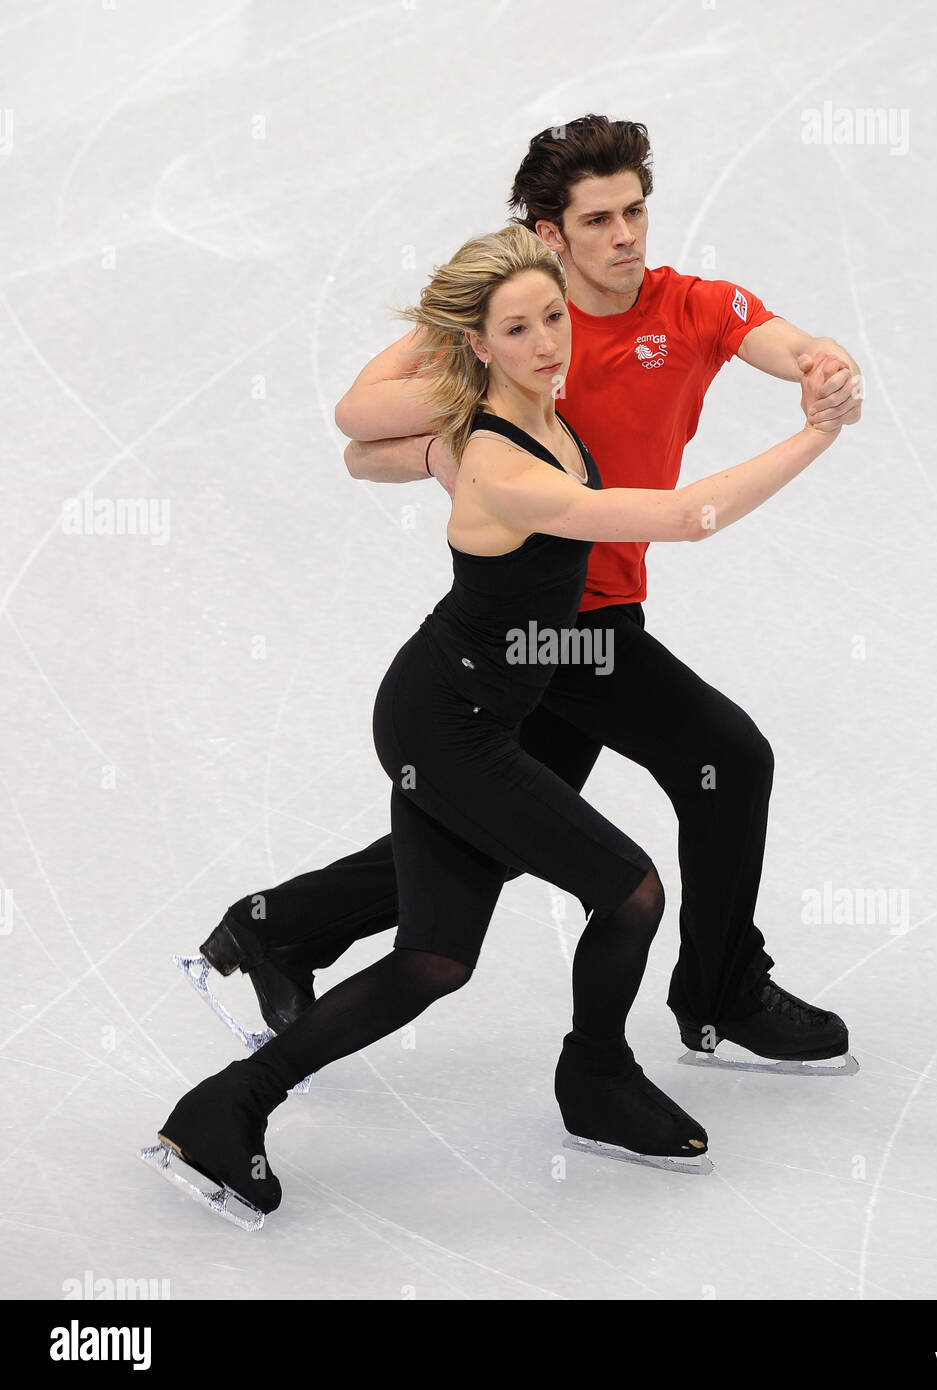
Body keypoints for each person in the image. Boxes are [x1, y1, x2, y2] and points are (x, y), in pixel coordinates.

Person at [150, 223, 846, 1220]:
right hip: (448, 723)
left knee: (436, 957)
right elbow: (689, 516)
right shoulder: (511, 464)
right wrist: (815, 432)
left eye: (553, 316)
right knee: (631, 889)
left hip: (470, 695)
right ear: (476, 344)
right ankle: (595, 1077)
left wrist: (436, 443)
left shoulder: (513, 427)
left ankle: (227, 1099)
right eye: (515, 329)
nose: (548, 342)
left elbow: (360, 451)